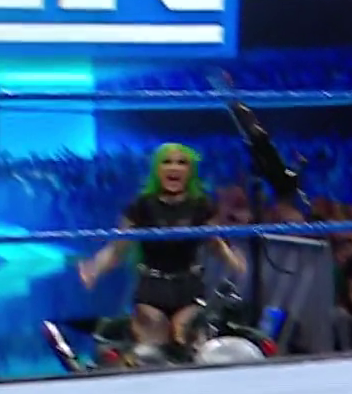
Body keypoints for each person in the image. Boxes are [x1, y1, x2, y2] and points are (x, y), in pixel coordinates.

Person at [78, 144, 246, 356]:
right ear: (157, 169)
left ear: (190, 170)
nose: (174, 168)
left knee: (185, 338)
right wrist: (95, 269)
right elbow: (117, 249)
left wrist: (234, 261)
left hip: (188, 287)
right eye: (167, 162)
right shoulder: (142, 206)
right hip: (152, 287)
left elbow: (216, 243)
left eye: (181, 163)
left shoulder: (201, 205)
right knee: (153, 343)